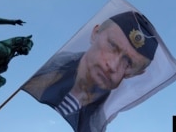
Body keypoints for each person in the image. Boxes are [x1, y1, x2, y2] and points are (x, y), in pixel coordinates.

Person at [22, 11, 158, 131]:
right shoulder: (44, 69)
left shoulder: (95, 124)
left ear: (136, 73)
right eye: (112, 45)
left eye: (128, 62)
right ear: (95, 33)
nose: (112, 65)